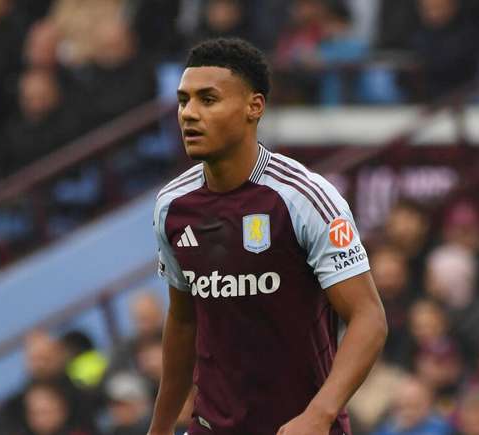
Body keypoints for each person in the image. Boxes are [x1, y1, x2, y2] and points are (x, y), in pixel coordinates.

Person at [150, 38, 387, 435]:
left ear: (253, 107)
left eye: (207, 100)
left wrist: (319, 414)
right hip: (213, 425)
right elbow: (183, 320)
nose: (189, 114)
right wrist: (158, 428)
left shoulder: (304, 198)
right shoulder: (171, 205)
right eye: (183, 100)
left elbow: (369, 318)